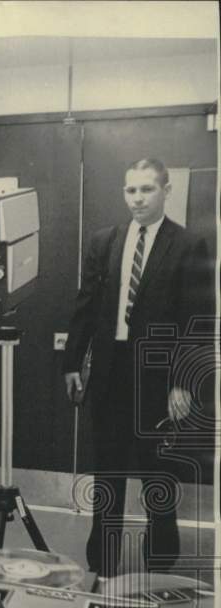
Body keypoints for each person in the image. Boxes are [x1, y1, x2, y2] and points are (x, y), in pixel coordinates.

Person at [63, 158, 212, 578]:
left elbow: (198, 320)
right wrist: (72, 362)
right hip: (110, 377)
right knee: (107, 479)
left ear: (166, 191)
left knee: (158, 481)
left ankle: (160, 566)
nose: (138, 198)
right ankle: (104, 565)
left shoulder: (187, 245)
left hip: (159, 382)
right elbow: (86, 307)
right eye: (131, 190)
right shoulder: (105, 242)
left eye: (147, 189)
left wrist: (183, 383)